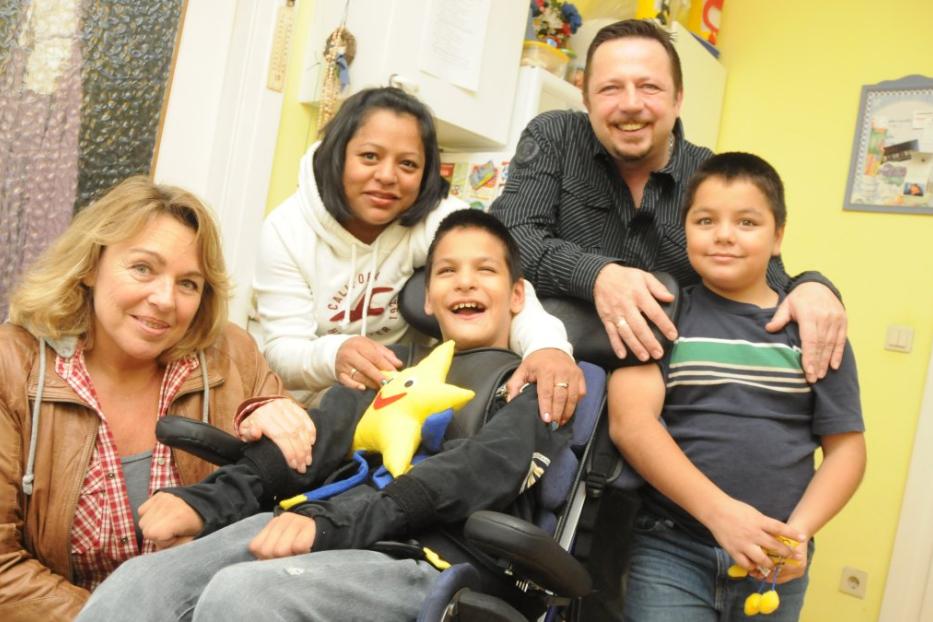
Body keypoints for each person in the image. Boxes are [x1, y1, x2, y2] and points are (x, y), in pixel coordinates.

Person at [77, 209, 571, 622]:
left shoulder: (538, 385)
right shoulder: (388, 371)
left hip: (428, 558)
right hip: (325, 525)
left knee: (246, 597)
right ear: (425, 297)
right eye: (446, 271)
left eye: (485, 270)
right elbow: (307, 445)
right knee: (143, 583)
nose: (465, 281)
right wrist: (208, 502)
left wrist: (332, 524)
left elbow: (474, 472)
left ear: (517, 296)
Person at [0, 177, 311, 621]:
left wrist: (288, 422)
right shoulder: (12, 366)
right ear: (91, 265)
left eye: (188, 283)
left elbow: (302, 500)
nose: (165, 299)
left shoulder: (231, 356)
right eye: (143, 268)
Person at [490, 19, 846, 383]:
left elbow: (765, 277)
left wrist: (813, 287)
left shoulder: (709, 175)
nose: (630, 104)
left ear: (678, 98)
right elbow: (506, 240)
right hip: (547, 363)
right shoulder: (555, 136)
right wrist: (598, 275)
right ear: (586, 98)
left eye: (649, 87)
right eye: (611, 88)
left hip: (664, 390)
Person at [609, 153, 866, 620]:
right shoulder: (662, 315)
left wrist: (797, 534)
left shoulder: (816, 329)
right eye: (705, 220)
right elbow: (631, 424)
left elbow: (847, 449)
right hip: (672, 547)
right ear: (685, 228)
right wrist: (720, 515)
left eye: (747, 222)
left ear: (778, 236)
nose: (724, 234)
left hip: (774, 560)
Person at [253, 86, 582, 426]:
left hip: (405, 403)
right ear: (338, 155)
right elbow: (281, 352)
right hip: (315, 411)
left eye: (408, 164)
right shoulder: (285, 229)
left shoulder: (437, 219)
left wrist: (548, 347)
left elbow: (504, 283)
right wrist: (333, 353)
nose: (386, 176)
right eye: (369, 156)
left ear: (426, 173)